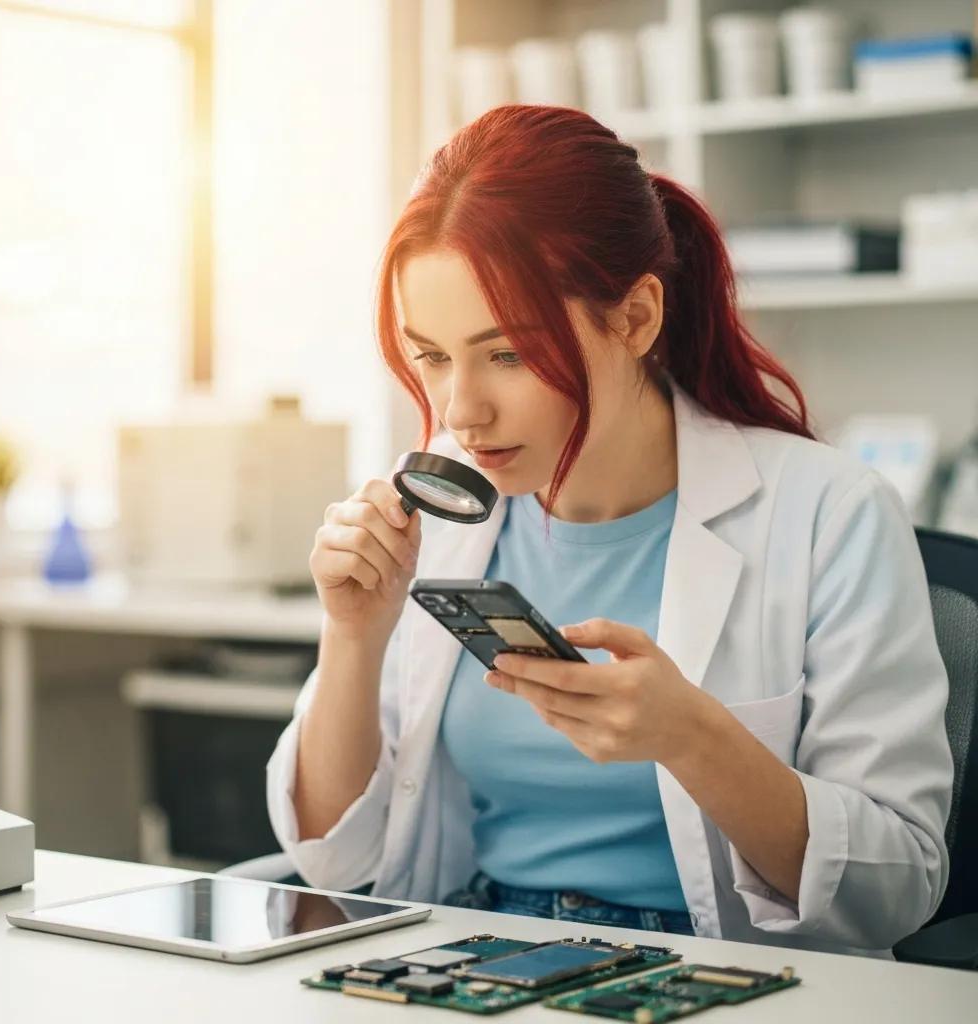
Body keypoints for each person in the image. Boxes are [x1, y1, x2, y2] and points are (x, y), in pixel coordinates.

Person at [267, 105, 952, 957]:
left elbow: (899, 886)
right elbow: (333, 856)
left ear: (634, 319)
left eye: (509, 354)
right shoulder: (440, 509)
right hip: (481, 962)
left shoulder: (830, 511)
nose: (461, 410)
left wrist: (693, 738)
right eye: (432, 357)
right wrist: (354, 634)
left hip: (725, 977)